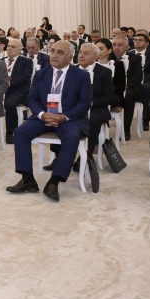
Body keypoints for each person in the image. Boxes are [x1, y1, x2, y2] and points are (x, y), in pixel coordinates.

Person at [6, 41, 92, 202]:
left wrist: (64, 117)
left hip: (69, 119)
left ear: (70, 58)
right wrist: (41, 114)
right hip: (44, 116)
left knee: (72, 137)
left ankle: (54, 182)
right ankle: (27, 179)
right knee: (20, 132)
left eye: (60, 52)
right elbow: (32, 99)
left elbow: (85, 103)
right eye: (53, 51)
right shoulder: (41, 74)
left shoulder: (81, 75)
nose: (54, 55)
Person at [47, 43, 114, 193]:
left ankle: (85, 157)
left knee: (93, 120)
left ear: (95, 57)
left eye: (86, 53)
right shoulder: (70, 70)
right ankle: (59, 156)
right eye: (80, 52)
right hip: (72, 108)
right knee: (57, 117)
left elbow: (110, 96)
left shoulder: (104, 72)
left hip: (96, 108)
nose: (81, 55)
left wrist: (89, 102)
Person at [2, 38, 33, 144]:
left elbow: (25, 77)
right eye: (8, 46)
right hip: (1, 89)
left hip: (18, 90)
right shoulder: (1, 61)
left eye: (13, 47)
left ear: (20, 50)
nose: (9, 48)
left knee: (10, 103)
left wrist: (9, 83)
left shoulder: (26, 62)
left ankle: (10, 132)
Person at [113, 35, 143, 141]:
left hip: (130, 87)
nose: (116, 48)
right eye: (114, 45)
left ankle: (126, 129)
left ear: (127, 47)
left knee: (128, 96)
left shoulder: (135, 58)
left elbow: (137, 76)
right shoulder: (108, 58)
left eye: (120, 45)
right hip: (113, 88)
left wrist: (125, 85)